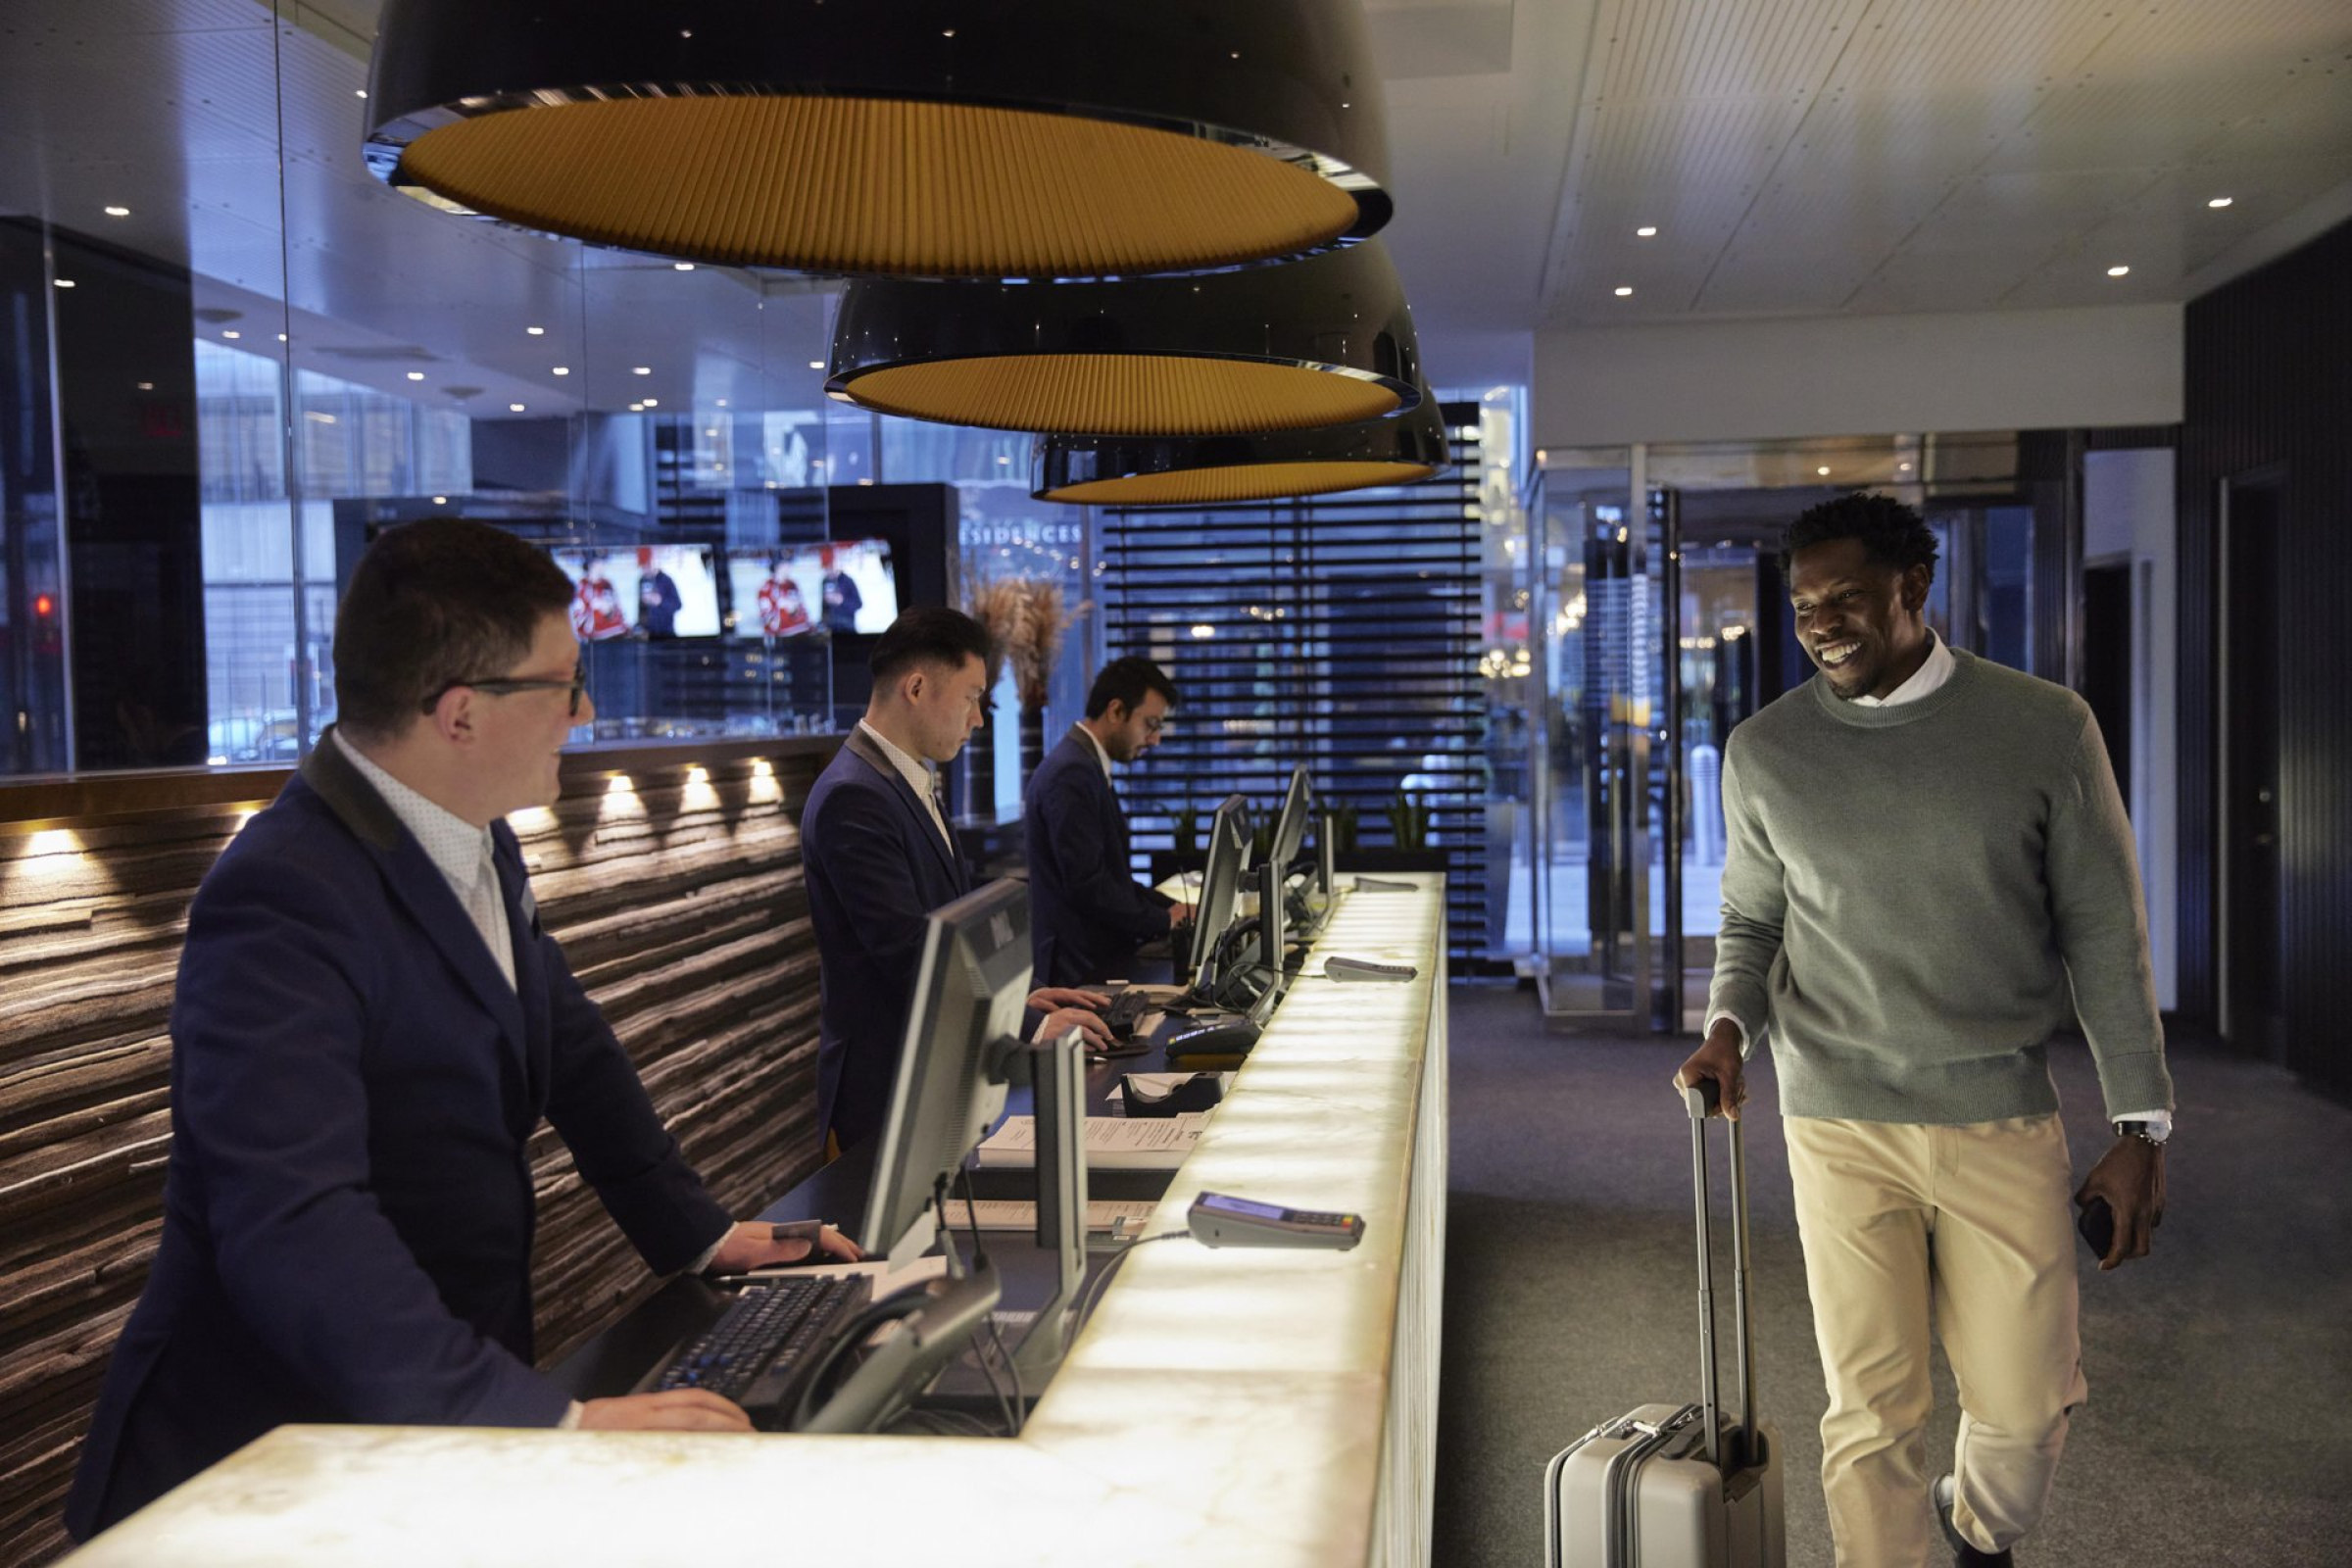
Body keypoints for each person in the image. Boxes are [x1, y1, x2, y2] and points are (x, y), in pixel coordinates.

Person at [66, 518, 857, 1542]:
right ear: (461, 714)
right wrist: (549, 1422)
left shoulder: (475, 837)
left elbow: (571, 1052)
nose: (585, 710)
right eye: (565, 683)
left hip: (409, 1439)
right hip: (263, 1467)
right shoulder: (279, 896)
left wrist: (701, 1235)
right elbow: (296, 1223)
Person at [1674, 493, 2171, 1568]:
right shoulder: (1767, 751)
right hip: (1836, 1115)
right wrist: (1726, 1026)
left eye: (1844, 595)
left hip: (1998, 1109)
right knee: (1872, 1405)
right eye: (1804, 603)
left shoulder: (2044, 727)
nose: (1819, 622)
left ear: (1915, 586)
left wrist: (2142, 1124)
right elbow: (1754, 917)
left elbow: (2104, 931)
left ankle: (1976, 1528)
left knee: (2030, 1399)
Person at [802, 608, 1108, 1151]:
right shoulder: (854, 796)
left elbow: (955, 932)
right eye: (971, 697)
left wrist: (1031, 997)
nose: (978, 720)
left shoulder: (904, 777)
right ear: (917, 687)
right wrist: (1030, 1025)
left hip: (938, 1083)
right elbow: (914, 954)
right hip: (888, 1099)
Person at [1024, 657, 1195, 988]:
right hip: (1079, 969)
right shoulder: (1071, 772)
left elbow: (1111, 876)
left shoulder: (1084, 763)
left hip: (1090, 959)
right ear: (1116, 711)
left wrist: (1173, 909)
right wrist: (1164, 919)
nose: (1155, 739)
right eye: (1151, 724)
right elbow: (1089, 885)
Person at [569, 554, 628, 641]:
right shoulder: (583, 586)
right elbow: (579, 615)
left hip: (617, 632)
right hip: (598, 636)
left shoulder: (607, 583)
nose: (602, 565)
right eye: (599, 562)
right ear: (591, 565)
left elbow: (615, 610)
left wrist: (607, 609)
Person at [634, 545, 682, 639]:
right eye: (642, 566)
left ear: (653, 561)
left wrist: (661, 601)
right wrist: (640, 626)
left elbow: (678, 605)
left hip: (667, 634)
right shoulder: (641, 580)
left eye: (646, 565)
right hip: (649, 635)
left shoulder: (666, 580)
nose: (644, 569)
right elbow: (641, 608)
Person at [759, 561, 811, 638]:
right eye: (785, 564)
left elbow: (800, 607)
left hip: (800, 629)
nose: (789, 567)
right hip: (784, 633)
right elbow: (767, 616)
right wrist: (780, 605)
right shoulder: (767, 587)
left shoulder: (792, 584)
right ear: (778, 567)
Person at [817, 545, 863, 633]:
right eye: (825, 568)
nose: (827, 570)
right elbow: (823, 606)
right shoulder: (825, 581)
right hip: (831, 628)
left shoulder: (848, 581)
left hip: (847, 627)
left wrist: (842, 601)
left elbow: (858, 604)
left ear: (835, 563)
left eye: (829, 566)